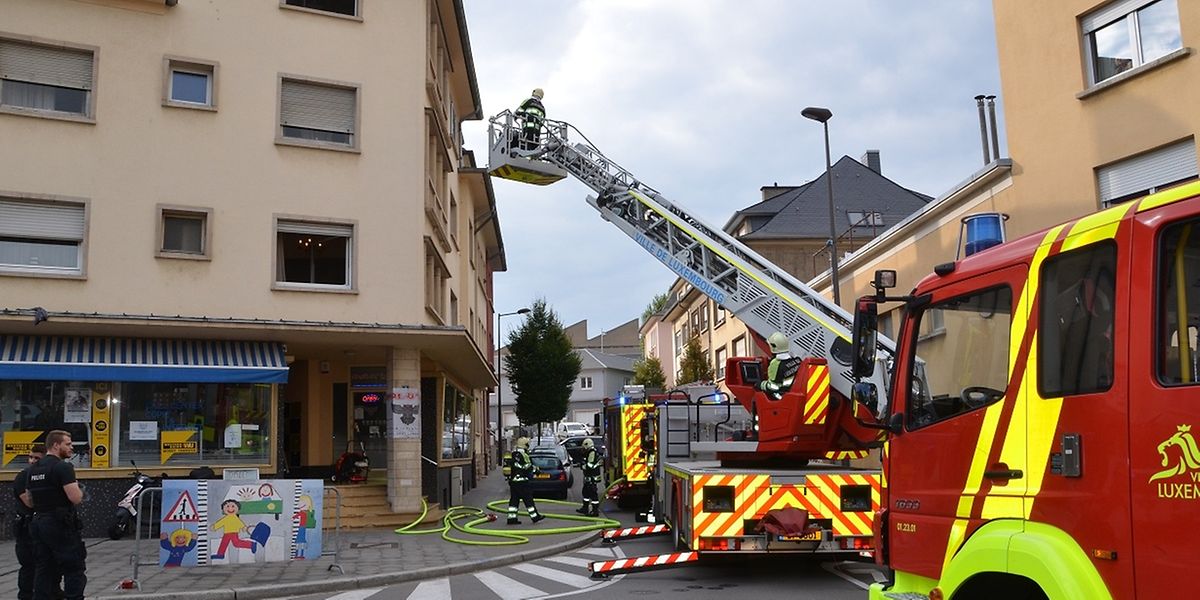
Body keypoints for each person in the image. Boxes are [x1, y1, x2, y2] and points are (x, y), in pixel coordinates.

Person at [23, 430, 85, 600]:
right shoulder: (63, 467)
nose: (71, 447)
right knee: (74, 567)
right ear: (56, 445)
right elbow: (75, 498)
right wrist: (79, 488)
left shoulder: (33, 469)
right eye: (68, 444)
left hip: (38, 522)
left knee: (44, 568)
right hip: (59, 523)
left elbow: (29, 500)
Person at [13, 444, 60, 600]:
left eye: (37, 458)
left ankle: (52, 593)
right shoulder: (23, 476)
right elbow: (29, 503)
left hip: (44, 525)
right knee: (28, 566)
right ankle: (25, 596)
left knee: (50, 565)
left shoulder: (47, 475)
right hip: (27, 526)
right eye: (30, 457)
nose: (32, 461)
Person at [506, 437, 544, 525]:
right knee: (528, 500)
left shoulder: (513, 454)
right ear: (525, 445)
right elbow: (528, 467)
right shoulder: (524, 455)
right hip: (522, 482)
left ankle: (511, 518)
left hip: (513, 482)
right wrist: (536, 470)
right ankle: (535, 517)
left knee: (514, 501)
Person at [757, 332, 798, 400]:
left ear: (773, 346)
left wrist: (760, 384)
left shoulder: (776, 364)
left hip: (782, 397)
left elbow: (773, 387)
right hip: (793, 393)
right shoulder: (797, 360)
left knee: (757, 397)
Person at [576, 438, 602, 517]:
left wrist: (582, 466)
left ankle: (595, 511)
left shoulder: (592, 452)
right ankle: (585, 508)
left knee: (593, 495)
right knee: (585, 493)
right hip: (589, 478)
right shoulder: (590, 452)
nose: (583, 449)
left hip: (592, 479)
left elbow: (590, 465)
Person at [514, 88, 545, 152]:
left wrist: (515, 116)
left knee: (525, 146)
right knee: (532, 147)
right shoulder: (542, 107)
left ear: (534, 93)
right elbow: (543, 121)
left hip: (527, 129)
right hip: (536, 132)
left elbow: (519, 111)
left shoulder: (529, 101)